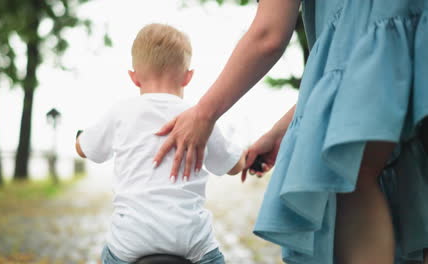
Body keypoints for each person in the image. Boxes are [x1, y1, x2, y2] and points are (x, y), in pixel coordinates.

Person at [153, 0, 428, 263]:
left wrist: (204, 113)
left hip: (371, 38)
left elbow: (268, 35)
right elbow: (364, 74)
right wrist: (279, 131)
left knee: (351, 174)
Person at [75, 23, 246, 264]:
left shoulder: (121, 111)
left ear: (134, 78)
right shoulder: (199, 118)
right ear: (188, 77)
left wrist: (79, 139)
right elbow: (234, 164)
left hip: (130, 239)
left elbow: (85, 148)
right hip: (190, 238)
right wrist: (246, 156)